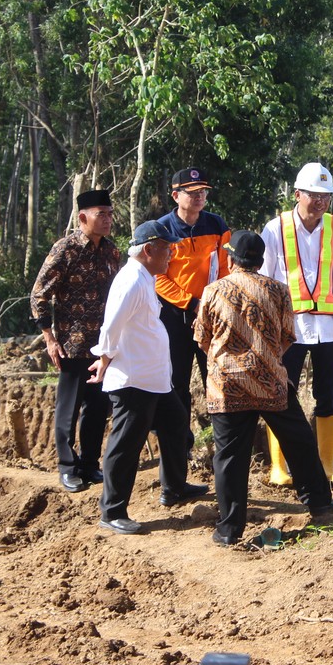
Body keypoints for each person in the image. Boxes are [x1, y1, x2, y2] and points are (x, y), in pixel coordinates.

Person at [195, 231, 333, 546]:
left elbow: (202, 339)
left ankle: (229, 529)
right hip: (271, 382)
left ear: (231, 259)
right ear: (261, 260)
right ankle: (319, 503)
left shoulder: (212, 291)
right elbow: (288, 336)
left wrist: (229, 360)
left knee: (230, 456)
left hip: (227, 386)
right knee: (298, 440)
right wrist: (264, 360)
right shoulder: (279, 290)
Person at [89, 220, 209, 534]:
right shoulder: (130, 280)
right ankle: (112, 510)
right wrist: (103, 357)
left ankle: (174, 488)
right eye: (167, 249)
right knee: (126, 444)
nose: (172, 255)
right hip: (133, 379)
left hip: (153, 379)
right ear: (148, 250)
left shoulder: (144, 277)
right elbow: (111, 323)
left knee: (176, 423)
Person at [260, 163, 333, 484]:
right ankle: (280, 468)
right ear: (297, 195)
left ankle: (325, 464)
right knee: (280, 395)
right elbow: (262, 283)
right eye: (314, 195)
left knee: (329, 397)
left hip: (331, 331)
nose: (320, 202)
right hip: (287, 332)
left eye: (326, 196)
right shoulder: (275, 229)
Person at [31, 189, 123, 492]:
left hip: (103, 346)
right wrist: (49, 337)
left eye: (110, 213)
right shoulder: (65, 249)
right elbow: (39, 293)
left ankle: (89, 464)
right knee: (68, 408)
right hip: (71, 344)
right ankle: (67, 467)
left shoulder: (112, 251)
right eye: (102, 214)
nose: (108, 219)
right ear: (83, 217)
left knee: (98, 407)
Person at [155, 167, 231, 428]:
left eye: (202, 192)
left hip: (211, 314)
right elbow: (158, 277)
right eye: (192, 192)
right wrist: (190, 302)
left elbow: (225, 267)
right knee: (177, 382)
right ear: (176, 196)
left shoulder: (217, 224)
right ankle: (179, 443)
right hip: (175, 316)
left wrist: (212, 302)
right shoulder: (163, 228)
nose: (199, 197)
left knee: (217, 378)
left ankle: (219, 439)